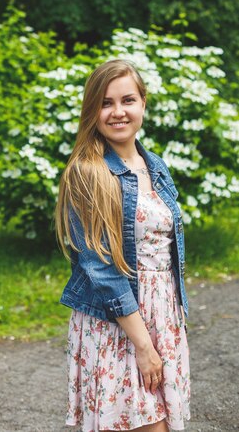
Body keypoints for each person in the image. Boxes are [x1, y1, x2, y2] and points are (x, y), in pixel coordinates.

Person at [55, 59, 190, 432]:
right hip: (117, 323)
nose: (118, 112)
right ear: (92, 111)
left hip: (163, 317)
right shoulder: (88, 173)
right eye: (106, 103)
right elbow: (100, 268)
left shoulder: (156, 166)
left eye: (127, 100)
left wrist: (166, 327)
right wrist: (144, 345)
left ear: (143, 104)